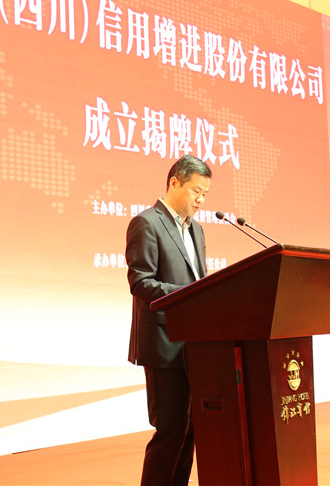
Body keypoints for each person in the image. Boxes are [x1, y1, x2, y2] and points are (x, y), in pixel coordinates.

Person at [126, 154, 212, 486]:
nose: (200, 200)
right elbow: (141, 282)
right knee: (171, 430)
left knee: (191, 430)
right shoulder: (147, 223)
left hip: (195, 343)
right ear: (174, 183)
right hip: (164, 344)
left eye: (205, 194)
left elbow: (199, 280)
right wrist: (191, 293)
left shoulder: (197, 230)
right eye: (196, 191)